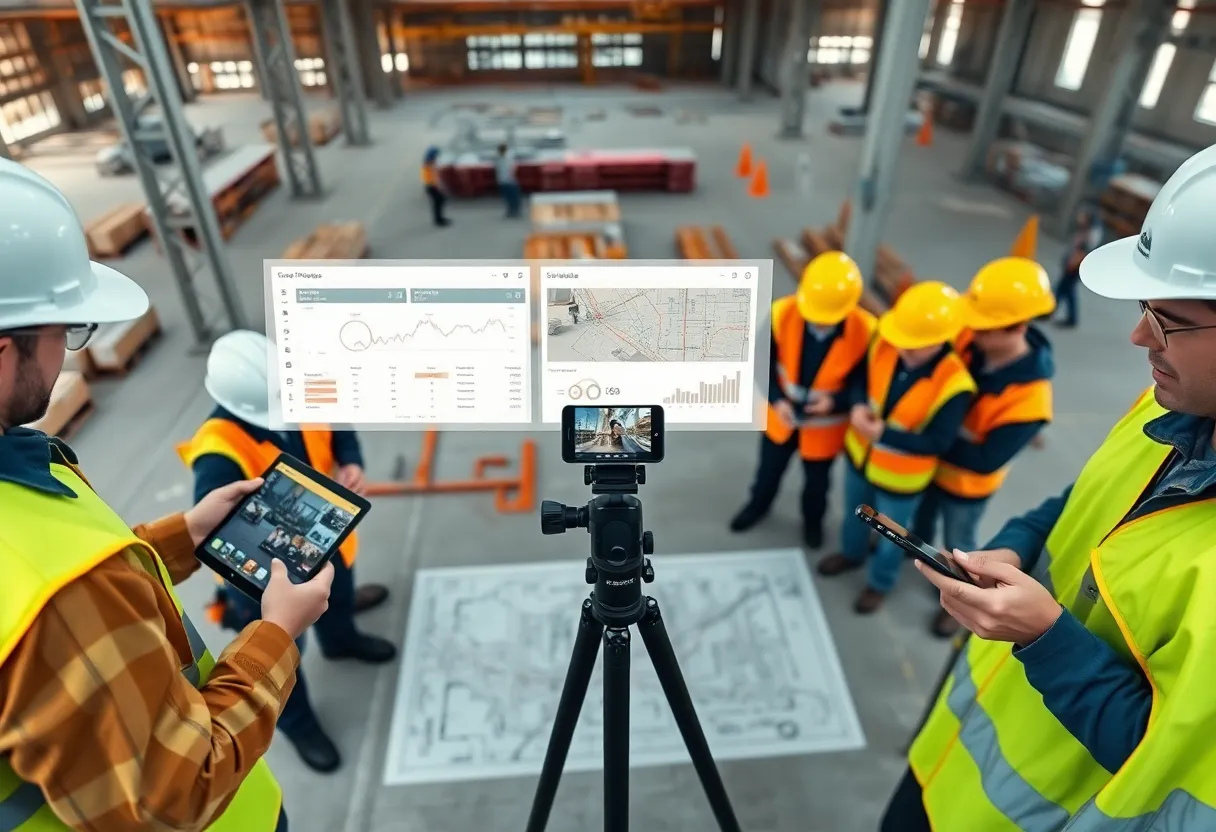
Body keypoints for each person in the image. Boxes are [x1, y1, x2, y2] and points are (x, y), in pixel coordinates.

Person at [886, 145, 1216, 831]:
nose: (1138, 336)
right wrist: (1013, 547)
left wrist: (1044, 637)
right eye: (1145, 307)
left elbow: (1168, 774)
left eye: (1168, 320)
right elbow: (1079, 501)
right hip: (943, 768)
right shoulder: (1168, 407)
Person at [0, 159, 330, 831]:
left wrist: (185, 535)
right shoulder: (51, 589)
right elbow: (174, 793)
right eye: (65, 331)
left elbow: (87, 592)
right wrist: (276, 633)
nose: (67, 354)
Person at [177, 330, 397, 774]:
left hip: (325, 543)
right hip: (264, 579)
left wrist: (351, 460)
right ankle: (298, 723)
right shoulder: (218, 452)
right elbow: (211, 531)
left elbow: (337, 426)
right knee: (279, 653)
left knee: (336, 596)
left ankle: (341, 640)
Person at [911, 257, 1056, 638]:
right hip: (929, 471)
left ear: (1018, 327)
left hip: (965, 489)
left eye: (983, 328)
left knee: (961, 547)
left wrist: (929, 442)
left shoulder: (1031, 399)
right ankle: (916, 561)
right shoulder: (969, 339)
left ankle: (961, 600)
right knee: (920, 523)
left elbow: (985, 459)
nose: (971, 331)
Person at [817, 281, 976, 614]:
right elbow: (860, 381)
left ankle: (879, 584)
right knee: (853, 516)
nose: (905, 350)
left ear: (942, 339)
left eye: (915, 346)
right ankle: (851, 554)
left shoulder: (955, 384)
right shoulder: (886, 343)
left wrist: (883, 435)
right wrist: (857, 405)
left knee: (892, 538)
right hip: (860, 460)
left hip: (901, 481)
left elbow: (938, 442)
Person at [730, 252, 875, 549]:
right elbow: (759, 363)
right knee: (768, 473)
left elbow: (866, 384)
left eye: (827, 319)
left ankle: (812, 523)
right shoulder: (781, 314)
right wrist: (777, 400)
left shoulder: (866, 331)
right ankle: (757, 506)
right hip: (780, 417)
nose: (819, 323)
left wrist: (835, 402)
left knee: (817, 486)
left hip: (824, 428)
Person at [1052, 204, 1103, 328]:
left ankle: (1059, 313)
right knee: (1065, 290)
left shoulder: (1089, 233)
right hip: (1074, 263)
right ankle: (1060, 313)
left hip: (1075, 266)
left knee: (1063, 289)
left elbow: (1082, 251)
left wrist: (1071, 263)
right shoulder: (1085, 229)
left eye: (1082, 215)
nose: (1079, 217)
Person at [422, 146, 450, 227]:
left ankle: (440, 218)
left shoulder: (430, 163)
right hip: (432, 187)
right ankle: (439, 220)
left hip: (432, 186)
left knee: (439, 202)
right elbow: (432, 179)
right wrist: (440, 187)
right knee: (438, 203)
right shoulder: (428, 165)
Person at [496, 143, 522, 218]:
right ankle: (511, 211)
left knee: (512, 197)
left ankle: (515, 211)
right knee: (508, 197)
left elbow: (513, 168)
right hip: (504, 181)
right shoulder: (500, 158)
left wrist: (511, 176)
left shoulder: (508, 157)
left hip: (509, 180)